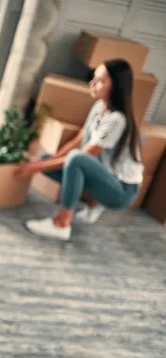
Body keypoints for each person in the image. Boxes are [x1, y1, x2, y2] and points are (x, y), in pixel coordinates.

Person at [15, 59, 144, 240]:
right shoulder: (99, 106)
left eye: (99, 81)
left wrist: (33, 168)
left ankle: (61, 224)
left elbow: (82, 155)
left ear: (115, 87)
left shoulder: (117, 120)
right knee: (48, 159)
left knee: (75, 159)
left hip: (121, 191)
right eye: (94, 78)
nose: (92, 83)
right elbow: (78, 141)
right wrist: (41, 163)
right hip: (106, 176)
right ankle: (93, 203)